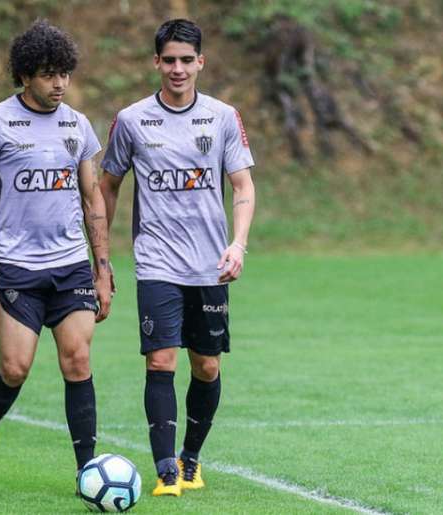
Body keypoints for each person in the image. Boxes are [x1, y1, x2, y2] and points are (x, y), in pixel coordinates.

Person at [99, 18, 256, 497]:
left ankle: (191, 459)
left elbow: (243, 186)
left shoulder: (223, 117)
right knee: (161, 360)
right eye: (169, 60)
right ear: (156, 63)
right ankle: (166, 470)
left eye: (187, 60)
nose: (178, 69)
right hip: (156, 261)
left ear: (201, 62)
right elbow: (107, 186)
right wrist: (100, 256)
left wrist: (238, 243)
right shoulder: (131, 120)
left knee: (206, 366)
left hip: (210, 263)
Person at [0, 20, 112, 495]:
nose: (59, 83)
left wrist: (103, 271)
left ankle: (88, 471)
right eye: (48, 74)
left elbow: (93, 201)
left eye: (64, 73)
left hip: (70, 266)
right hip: (18, 267)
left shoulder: (76, 124)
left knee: (77, 359)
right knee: (15, 369)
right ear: (25, 76)